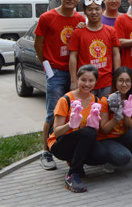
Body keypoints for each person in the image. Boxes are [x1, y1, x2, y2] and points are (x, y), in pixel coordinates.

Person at [34, 0, 86, 171]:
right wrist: (46, 67)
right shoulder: (47, 17)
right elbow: (38, 44)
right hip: (55, 72)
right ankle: (46, 151)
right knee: (53, 113)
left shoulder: (80, 19)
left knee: (74, 112)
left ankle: (68, 150)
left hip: (75, 72)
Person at [47, 65, 103, 193]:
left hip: (80, 141)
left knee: (102, 155)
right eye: (83, 80)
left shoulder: (96, 101)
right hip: (59, 145)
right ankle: (72, 175)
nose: (87, 84)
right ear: (77, 79)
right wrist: (70, 124)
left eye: (91, 80)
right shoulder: (66, 100)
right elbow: (57, 132)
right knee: (89, 133)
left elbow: (95, 130)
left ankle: (74, 161)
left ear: (96, 81)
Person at [99, 67, 132, 173]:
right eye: (120, 80)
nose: (124, 84)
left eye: (128, 81)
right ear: (115, 82)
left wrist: (127, 113)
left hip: (124, 137)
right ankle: (109, 160)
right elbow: (104, 130)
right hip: (108, 139)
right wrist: (116, 117)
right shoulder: (106, 100)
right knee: (123, 158)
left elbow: (131, 126)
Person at [69, 0, 121, 97]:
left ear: (103, 10)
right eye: (90, 9)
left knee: (107, 107)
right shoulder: (77, 32)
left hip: (107, 82)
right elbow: (73, 56)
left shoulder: (111, 31)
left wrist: (117, 78)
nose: (94, 12)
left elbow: (116, 54)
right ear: (85, 12)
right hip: (86, 83)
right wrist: (73, 81)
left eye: (97, 9)